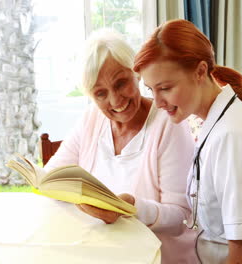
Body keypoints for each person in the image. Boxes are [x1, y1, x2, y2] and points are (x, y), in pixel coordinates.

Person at [134, 19, 242, 263]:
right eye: (150, 90)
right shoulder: (214, 124)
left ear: (199, 71)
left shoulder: (233, 138)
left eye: (165, 88)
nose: (157, 102)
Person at [44, 28, 197, 263]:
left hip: (157, 257)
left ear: (136, 74)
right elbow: (52, 178)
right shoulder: (91, 119)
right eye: (101, 93)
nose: (115, 101)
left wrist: (134, 209)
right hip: (101, 251)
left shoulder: (168, 124)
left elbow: (182, 218)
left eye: (121, 83)